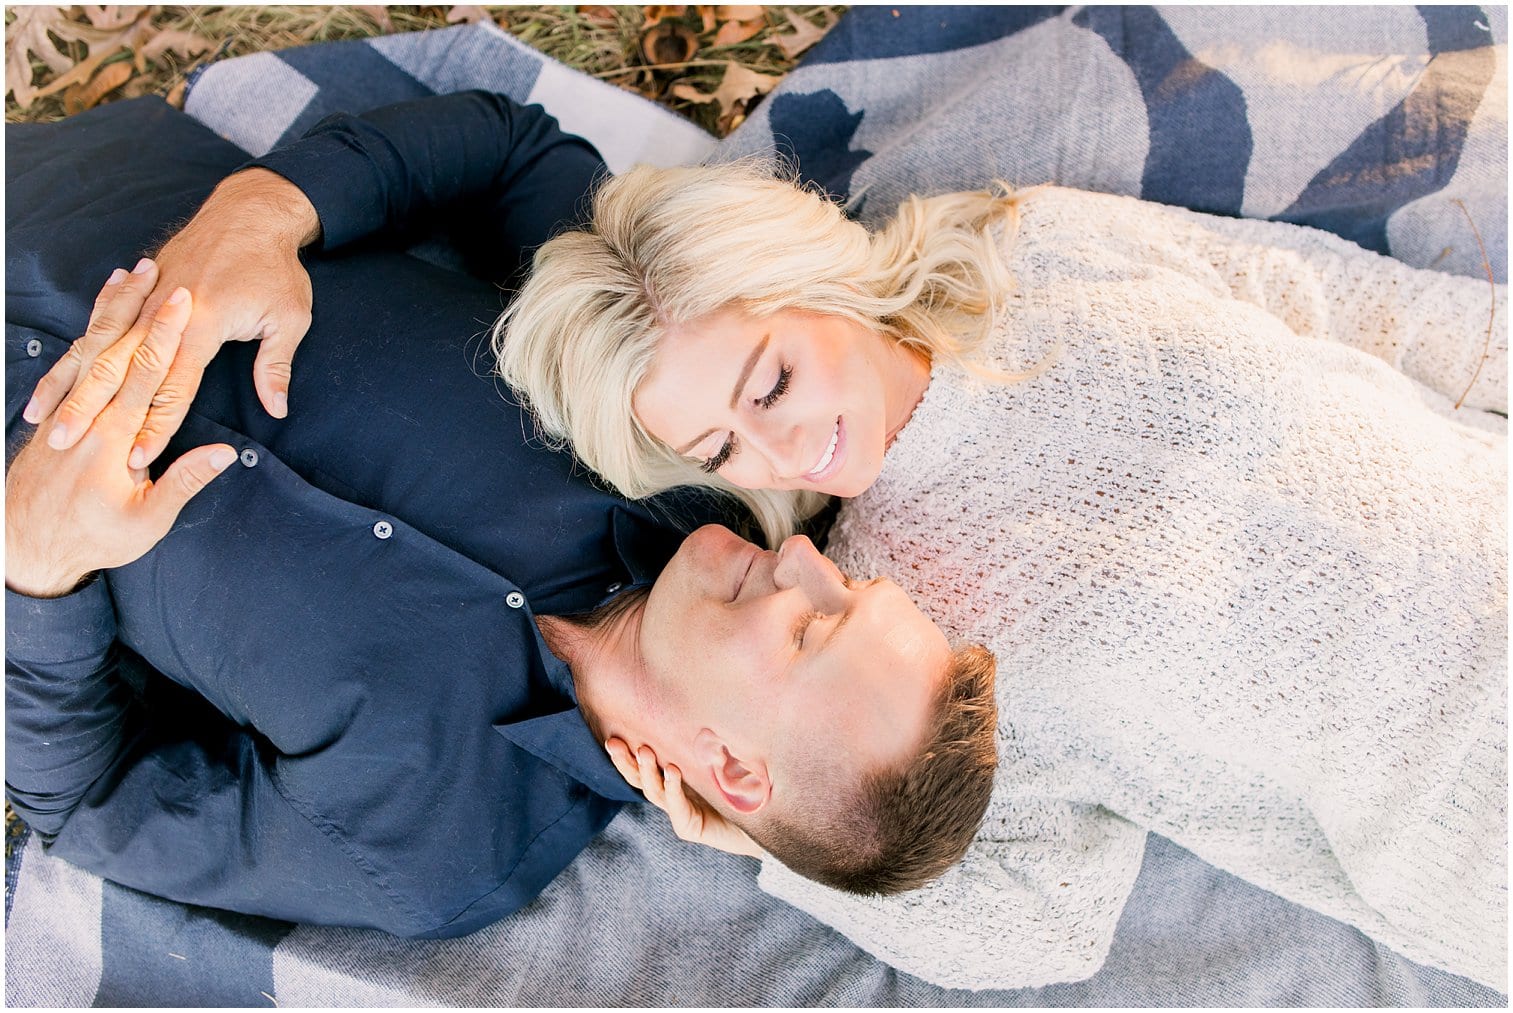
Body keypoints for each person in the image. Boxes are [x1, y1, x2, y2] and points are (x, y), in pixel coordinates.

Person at [490, 160, 1509, 991]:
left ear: (815, 280)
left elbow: (1366, 307)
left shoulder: (1038, 248)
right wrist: (768, 841)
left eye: (772, 382)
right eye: (717, 451)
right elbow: (1042, 921)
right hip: (1466, 818)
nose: (778, 453)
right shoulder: (883, 630)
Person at [4, 95, 999, 938]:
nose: (803, 561)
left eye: (813, 625)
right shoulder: (675, 434)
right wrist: (267, 210)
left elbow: (93, 806)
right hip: (67, 187)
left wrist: (37, 574)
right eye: (849, 580)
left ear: (732, 768)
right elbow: (514, 151)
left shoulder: (440, 851)